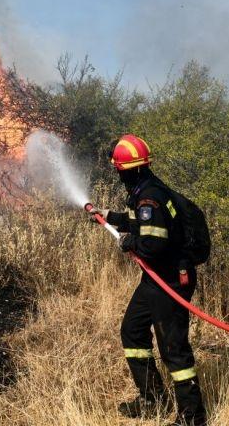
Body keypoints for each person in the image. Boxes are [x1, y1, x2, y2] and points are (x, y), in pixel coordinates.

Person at [88, 134, 207, 426]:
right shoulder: (148, 189)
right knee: (133, 331)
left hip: (170, 280)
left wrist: (129, 243)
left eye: (119, 170)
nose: (119, 175)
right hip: (156, 280)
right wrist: (110, 217)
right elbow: (143, 223)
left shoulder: (149, 197)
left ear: (127, 170)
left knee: (173, 348)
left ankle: (192, 417)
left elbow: (153, 244)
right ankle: (152, 399)